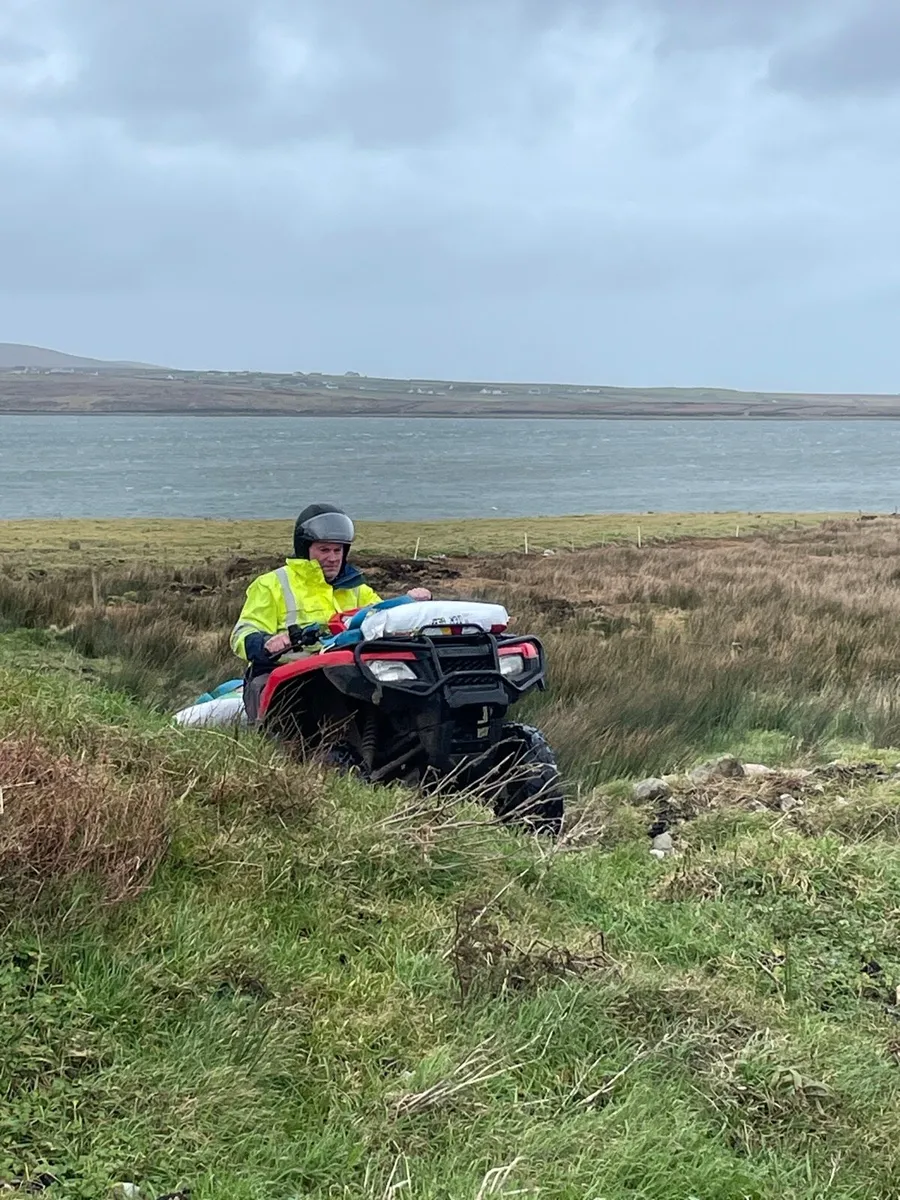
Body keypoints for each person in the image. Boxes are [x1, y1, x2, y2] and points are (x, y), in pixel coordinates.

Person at [231, 503, 431, 721]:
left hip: (346, 674)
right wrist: (265, 643)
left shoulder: (357, 589)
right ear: (304, 549)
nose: (333, 558)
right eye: (324, 550)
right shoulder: (272, 584)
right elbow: (242, 633)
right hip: (285, 675)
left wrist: (411, 604)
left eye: (338, 550)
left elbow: (385, 619)